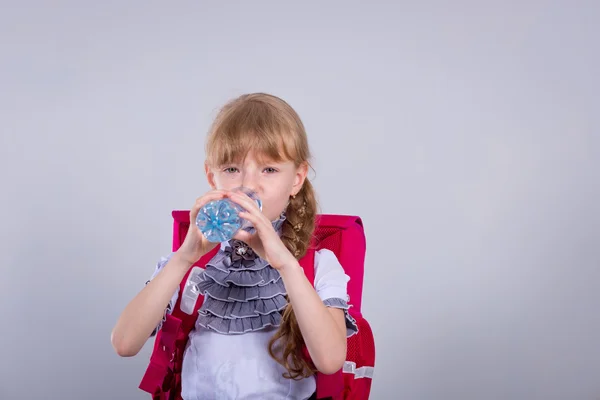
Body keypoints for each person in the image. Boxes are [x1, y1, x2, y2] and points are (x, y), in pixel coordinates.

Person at [111, 93, 358, 399]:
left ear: (297, 179)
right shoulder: (192, 264)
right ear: (211, 177)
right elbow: (124, 343)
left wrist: (285, 265)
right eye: (231, 169)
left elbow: (331, 360)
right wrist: (183, 258)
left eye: (269, 169)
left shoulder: (317, 264)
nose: (249, 185)